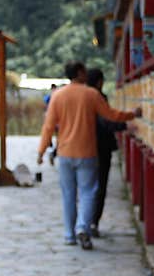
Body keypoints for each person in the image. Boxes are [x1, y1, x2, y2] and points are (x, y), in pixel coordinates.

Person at [37, 61, 138, 250]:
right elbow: (111, 115)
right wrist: (131, 115)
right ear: (80, 73)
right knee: (88, 192)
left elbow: (48, 126)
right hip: (87, 152)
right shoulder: (91, 94)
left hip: (65, 153)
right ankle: (83, 226)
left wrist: (42, 151)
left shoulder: (57, 96)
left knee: (68, 194)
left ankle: (69, 235)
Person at [86, 68, 127, 238]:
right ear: (100, 81)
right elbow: (107, 121)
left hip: (86, 147)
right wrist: (126, 124)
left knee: (87, 187)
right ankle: (92, 222)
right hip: (101, 148)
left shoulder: (84, 96)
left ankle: (85, 223)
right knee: (99, 187)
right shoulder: (98, 97)